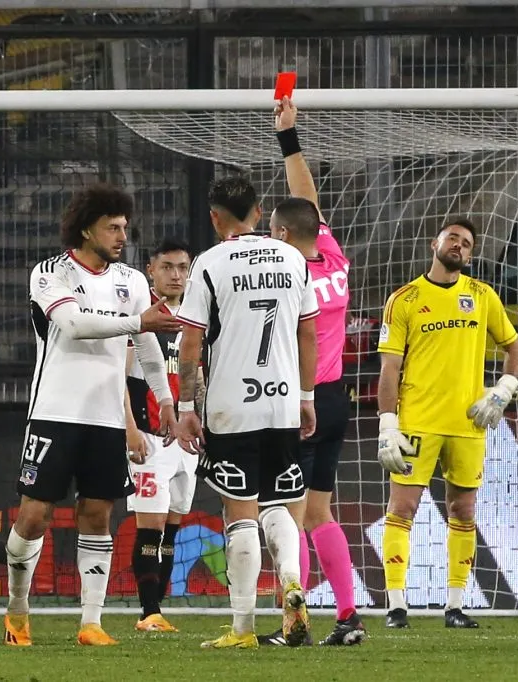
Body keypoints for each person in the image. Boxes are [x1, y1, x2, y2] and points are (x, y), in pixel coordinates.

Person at [2, 184, 180, 647]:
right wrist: (139, 322)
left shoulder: (132, 281)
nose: (122, 235)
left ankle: (91, 622)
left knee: (97, 514)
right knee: (36, 516)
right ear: (86, 228)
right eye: (112, 227)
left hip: (105, 417)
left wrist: (163, 400)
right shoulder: (51, 272)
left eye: (124, 227)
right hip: (54, 413)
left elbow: (148, 349)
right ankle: (18, 608)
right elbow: (76, 325)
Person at [174, 177, 319, 650]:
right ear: (260, 212)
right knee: (279, 504)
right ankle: (292, 582)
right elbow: (308, 335)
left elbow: (191, 343)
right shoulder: (294, 259)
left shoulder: (210, 263)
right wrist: (306, 397)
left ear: (215, 217)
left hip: (231, 405)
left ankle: (241, 629)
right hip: (280, 401)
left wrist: (185, 406)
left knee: (240, 512)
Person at [376, 217, 518, 629]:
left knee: (463, 510)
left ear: (471, 254)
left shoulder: (482, 295)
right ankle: (396, 605)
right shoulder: (404, 299)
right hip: (417, 423)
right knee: (402, 509)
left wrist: (503, 389)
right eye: (452, 238)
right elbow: (390, 369)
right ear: (435, 244)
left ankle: (456, 606)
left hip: (467, 424)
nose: (459, 245)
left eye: (466, 243)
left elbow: (515, 349)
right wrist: (388, 424)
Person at [257, 97, 366, 647]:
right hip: (336, 399)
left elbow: (302, 207)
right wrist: (290, 139)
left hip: (298, 400)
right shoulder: (332, 256)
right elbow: (308, 202)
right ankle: (348, 617)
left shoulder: (283, 272)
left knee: (287, 513)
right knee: (320, 510)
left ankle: (294, 621)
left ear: (279, 234)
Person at [124, 236, 204, 633]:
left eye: (182, 268)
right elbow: (121, 377)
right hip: (151, 437)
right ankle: (148, 612)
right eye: (167, 267)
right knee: (149, 528)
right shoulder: (140, 319)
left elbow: (199, 375)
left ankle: (158, 610)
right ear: (150, 271)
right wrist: (131, 428)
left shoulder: (194, 318)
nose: (176, 275)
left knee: (173, 527)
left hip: (185, 441)